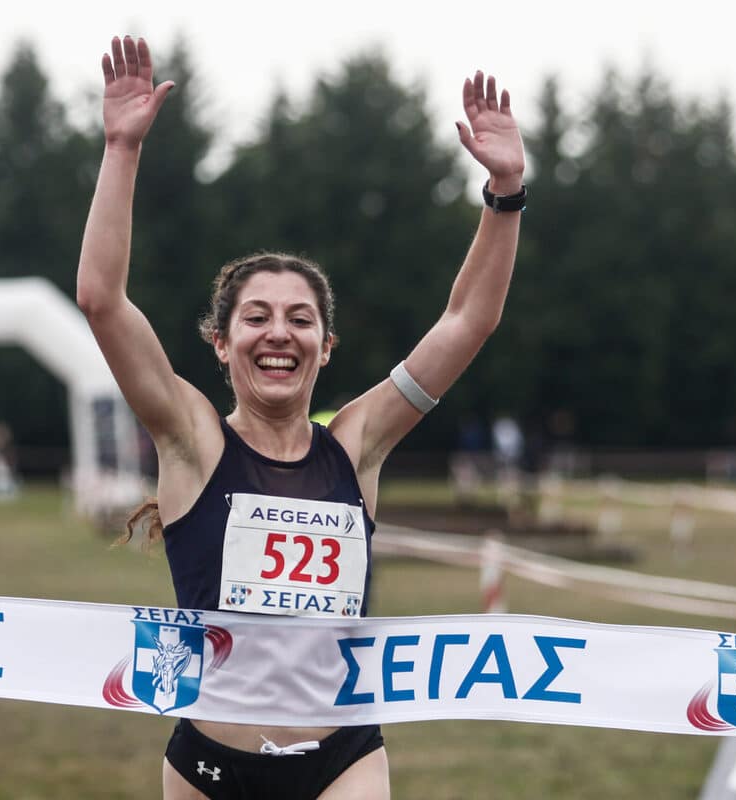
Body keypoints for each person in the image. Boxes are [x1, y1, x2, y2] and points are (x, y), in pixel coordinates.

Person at [77, 35, 524, 800]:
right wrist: (121, 149)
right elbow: (101, 301)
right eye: (256, 317)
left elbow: (467, 322)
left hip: (342, 759)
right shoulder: (191, 440)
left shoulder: (358, 443)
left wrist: (505, 192)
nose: (279, 333)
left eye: (300, 319)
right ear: (221, 344)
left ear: (326, 345)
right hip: (211, 770)